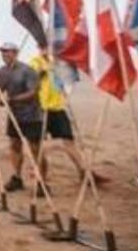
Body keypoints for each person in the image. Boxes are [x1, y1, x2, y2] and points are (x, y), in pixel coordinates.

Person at [29, 48, 108, 186]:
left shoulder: (59, 62)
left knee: (69, 141)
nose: (46, 49)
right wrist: (45, 70)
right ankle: (40, 178)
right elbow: (32, 79)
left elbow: (68, 79)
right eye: (42, 46)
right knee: (37, 145)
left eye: (48, 46)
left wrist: (63, 70)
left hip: (58, 107)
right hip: (40, 108)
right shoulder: (35, 62)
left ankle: (84, 172)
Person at [0, 42, 45, 195]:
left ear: (16, 53)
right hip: (14, 115)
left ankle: (41, 182)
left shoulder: (27, 71)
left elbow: (33, 93)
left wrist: (12, 100)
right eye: (2, 52)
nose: (5, 55)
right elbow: (0, 89)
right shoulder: (1, 72)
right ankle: (17, 177)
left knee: (35, 149)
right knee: (15, 145)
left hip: (32, 115)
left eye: (7, 52)